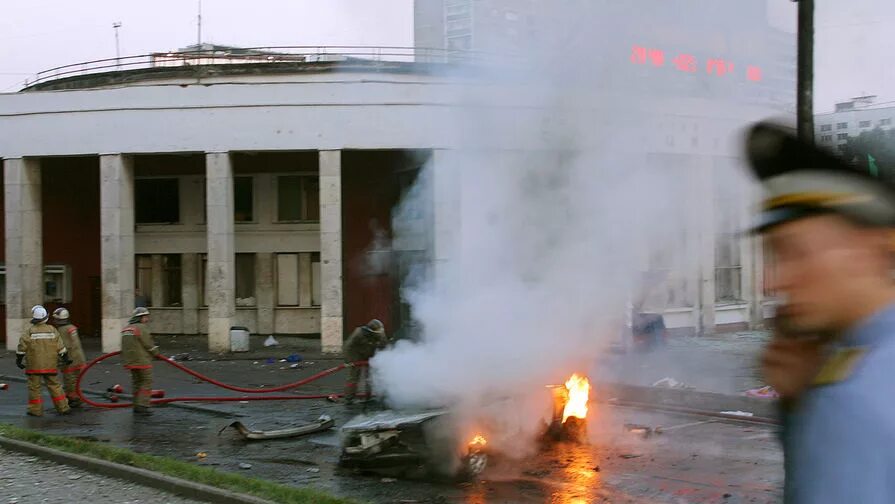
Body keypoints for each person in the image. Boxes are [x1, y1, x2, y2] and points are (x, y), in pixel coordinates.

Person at [745, 122, 895, 503]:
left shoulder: (853, 400)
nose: (771, 283)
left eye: (795, 252)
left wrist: (809, 414)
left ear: (875, 245)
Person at [15, 305, 71, 416]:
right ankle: (63, 407)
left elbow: (21, 348)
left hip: (33, 366)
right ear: (46, 317)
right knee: (55, 386)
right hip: (50, 364)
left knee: (34, 388)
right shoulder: (52, 330)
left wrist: (19, 360)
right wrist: (66, 359)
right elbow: (61, 348)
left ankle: (35, 410)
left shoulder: (29, 332)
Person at [120, 307, 159, 416]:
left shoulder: (126, 329)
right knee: (146, 382)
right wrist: (156, 353)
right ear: (140, 318)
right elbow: (148, 344)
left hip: (130, 362)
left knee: (136, 382)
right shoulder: (141, 328)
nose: (147, 319)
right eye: (145, 317)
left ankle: (136, 405)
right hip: (142, 361)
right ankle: (143, 406)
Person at [342, 319, 388, 404]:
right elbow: (349, 346)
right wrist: (349, 361)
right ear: (370, 330)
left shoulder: (381, 333)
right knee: (353, 377)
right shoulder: (359, 333)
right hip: (357, 355)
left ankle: (369, 396)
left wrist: (383, 359)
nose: (380, 334)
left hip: (371, 355)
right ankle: (349, 398)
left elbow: (384, 347)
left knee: (371, 376)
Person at [51, 307, 86, 408]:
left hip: (68, 360)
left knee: (69, 381)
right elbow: (76, 345)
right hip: (77, 358)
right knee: (75, 380)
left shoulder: (61, 330)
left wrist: (59, 360)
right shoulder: (72, 328)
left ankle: (73, 399)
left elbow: (64, 346)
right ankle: (74, 397)